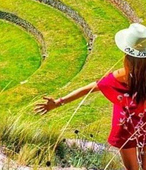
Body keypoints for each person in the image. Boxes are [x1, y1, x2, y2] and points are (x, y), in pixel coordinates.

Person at [35, 23, 146, 170]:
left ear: (127, 59)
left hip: (125, 128)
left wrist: (58, 102)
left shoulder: (118, 77)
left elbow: (87, 89)